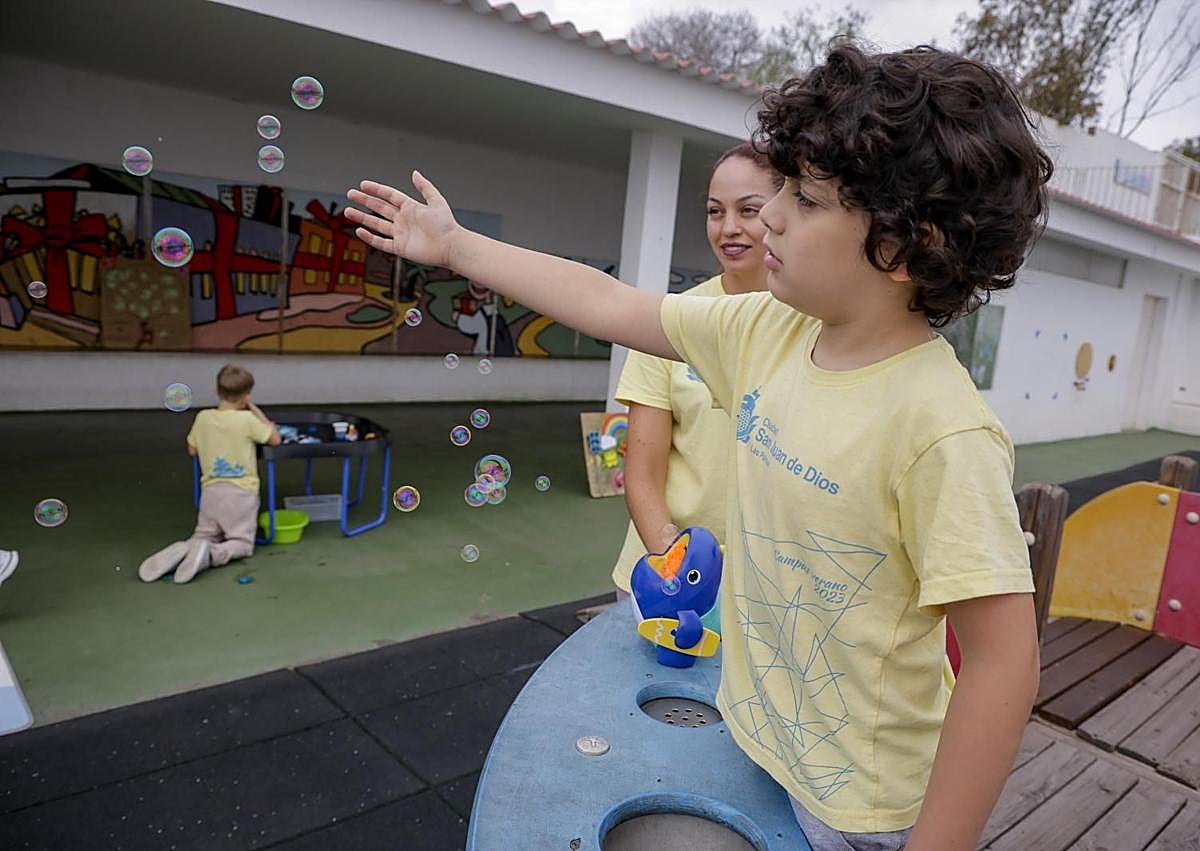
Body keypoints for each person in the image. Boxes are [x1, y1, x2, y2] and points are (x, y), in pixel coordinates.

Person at [346, 44, 1048, 850]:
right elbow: (610, 301)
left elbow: (1002, 662)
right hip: (757, 737)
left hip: (864, 807)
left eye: (806, 199)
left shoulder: (940, 428)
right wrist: (458, 248)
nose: (770, 214)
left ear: (903, 244)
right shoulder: (770, 331)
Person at [612, 143, 781, 601]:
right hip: (665, 571)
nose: (729, 228)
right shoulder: (671, 319)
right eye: (714, 211)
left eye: (750, 210)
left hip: (771, 585)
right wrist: (678, 569)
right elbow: (642, 474)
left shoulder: (816, 323)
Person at [138, 364, 280, 585]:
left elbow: (192, 449)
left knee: (203, 535)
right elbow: (274, 439)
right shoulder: (247, 420)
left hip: (211, 493)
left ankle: (187, 548)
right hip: (241, 494)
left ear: (216, 390)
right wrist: (254, 410)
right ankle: (212, 555)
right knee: (242, 543)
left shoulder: (203, 418)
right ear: (246, 395)